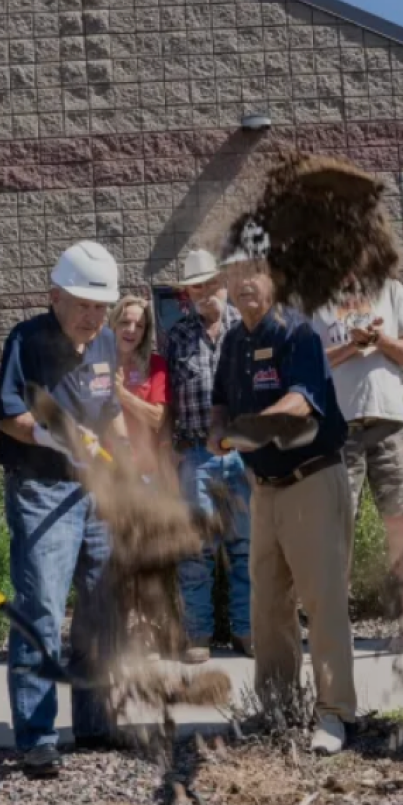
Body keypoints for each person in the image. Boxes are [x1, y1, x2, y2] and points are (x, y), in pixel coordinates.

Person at [210, 222, 357, 756]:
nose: (245, 282)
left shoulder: (297, 334)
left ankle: (336, 713)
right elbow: (221, 400)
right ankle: (275, 707)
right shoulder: (232, 341)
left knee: (322, 602)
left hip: (312, 478)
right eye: (236, 273)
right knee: (267, 605)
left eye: (256, 272)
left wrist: (250, 429)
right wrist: (217, 425)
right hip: (264, 486)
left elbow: (301, 401)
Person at [0, 239, 127, 778]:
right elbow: (7, 416)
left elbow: (111, 408)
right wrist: (56, 440)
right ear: (54, 295)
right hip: (40, 486)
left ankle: (95, 722)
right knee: (42, 609)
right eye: (81, 304)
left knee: (101, 603)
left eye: (100, 307)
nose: (91, 317)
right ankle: (38, 736)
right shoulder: (26, 339)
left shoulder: (108, 343)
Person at [312, 277, 403, 655]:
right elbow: (306, 364)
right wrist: (352, 345)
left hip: (391, 421)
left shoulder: (391, 290)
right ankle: (336, 631)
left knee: (401, 522)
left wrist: (379, 341)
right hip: (338, 425)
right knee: (337, 530)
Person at [164, 248, 253, 664]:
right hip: (196, 453)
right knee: (196, 549)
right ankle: (198, 635)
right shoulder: (177, 335)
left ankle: (246, 630)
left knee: (244, 547)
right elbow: (167, 403)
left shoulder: (247, 326)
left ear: (225, 284)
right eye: (195, 286)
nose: (204, 292)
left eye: (210, 284)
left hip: (243, 454)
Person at [109, 293, 169, 477]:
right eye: (125, 322)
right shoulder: (95, 362)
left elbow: (157, 418)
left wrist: (121, 394)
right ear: (113, 324)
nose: (132, 330)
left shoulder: (155, 364)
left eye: (139, 326)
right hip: (106, 469)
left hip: (146, 472)